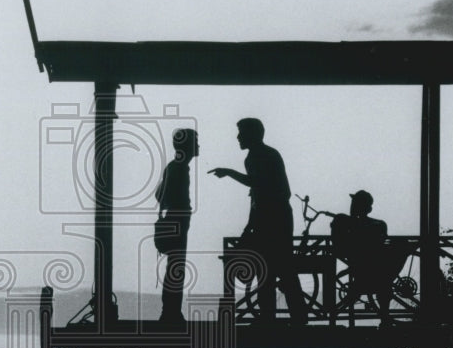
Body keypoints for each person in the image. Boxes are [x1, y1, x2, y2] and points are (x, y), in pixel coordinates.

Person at [209, 118, 308, 325]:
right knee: (277, 270)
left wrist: (229, 172)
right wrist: (250, 225)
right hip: (276, 218)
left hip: (273, 220)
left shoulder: (259, 157)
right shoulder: (263, 155)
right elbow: (257, 195)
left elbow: (257, 186)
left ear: (252, 134)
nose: (237, 137)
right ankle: (293, 317)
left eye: (241, 133)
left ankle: (274, 318)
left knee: (272, 271)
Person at [154, 128, 199, 325]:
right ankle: (171, 313)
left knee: (174, 266)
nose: (198, 146)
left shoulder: (174, 166)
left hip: (175, 219)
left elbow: (159, 194)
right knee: (176, 267)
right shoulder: (179, 167)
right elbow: (166, 194)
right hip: (178, 220)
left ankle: (171, 312)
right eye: (195, 142)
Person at [330, 190, 392, 325]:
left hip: (363, 267)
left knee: (360, 289)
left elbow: (338, 246)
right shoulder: (378, 224)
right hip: (375, 267)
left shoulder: (346, 221)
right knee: (382, 287)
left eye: (354, 203)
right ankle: (385, 319)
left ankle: (333, 317)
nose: (351, 205)